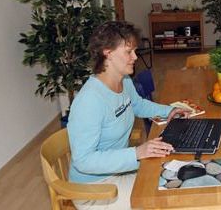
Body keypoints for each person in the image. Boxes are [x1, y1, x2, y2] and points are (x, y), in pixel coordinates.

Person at [67, 21, 189, 210]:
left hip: (120, 170)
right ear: (107, 53)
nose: (135, 57)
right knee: (167, 200)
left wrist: (169, 111)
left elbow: (138, 105)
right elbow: (83, 161)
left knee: (181, 173)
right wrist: (137, 153)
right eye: (128, 52)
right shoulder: (89, 101)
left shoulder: (123, 80)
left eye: (134, 51)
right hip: (95, 189)